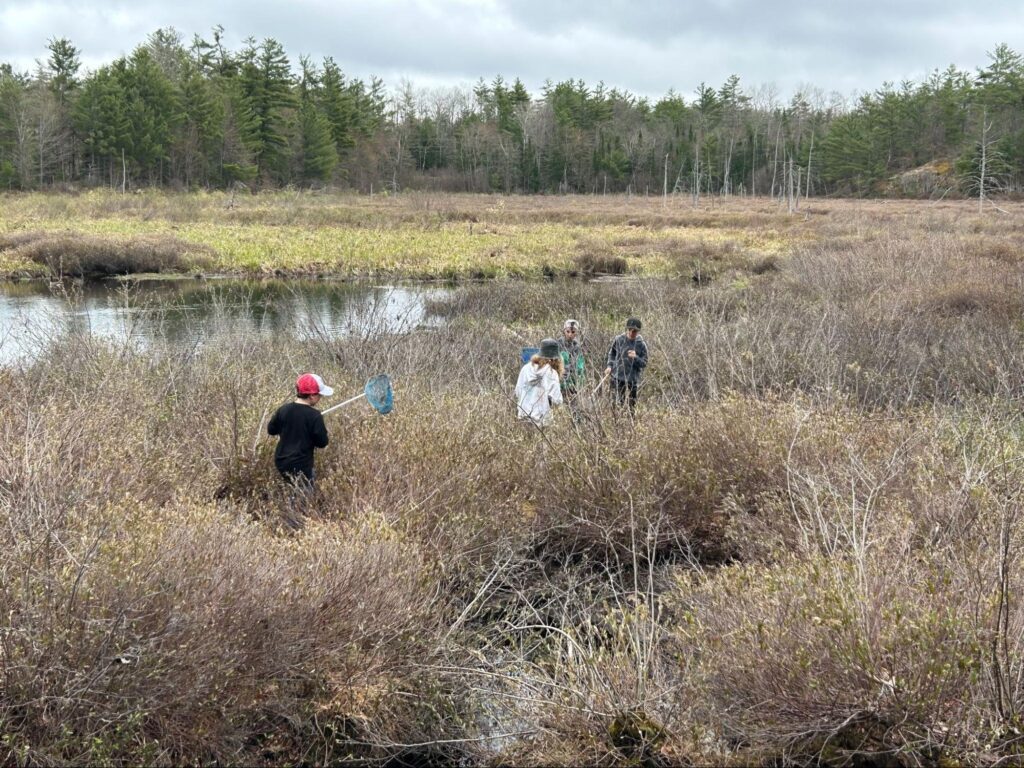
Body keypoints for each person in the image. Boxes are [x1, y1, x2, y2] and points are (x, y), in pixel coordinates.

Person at [267, 373, 334, 488]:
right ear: (312, 396)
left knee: (290, 490)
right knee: (303, 497)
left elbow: (271, 430)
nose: (320, 398)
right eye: (319, 395)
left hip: (281, 461)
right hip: (302, 464)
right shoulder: (314, 416)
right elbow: (322, 442)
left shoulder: (284, 410)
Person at [515, 338, 564, 427]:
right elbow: (557, 400)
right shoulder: (552, 374)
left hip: (523, 416)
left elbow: (518, 391)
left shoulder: (525, 369)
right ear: (555, 359)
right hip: (542, 420)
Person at [604, 318, 648, 412]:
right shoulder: (619, 339)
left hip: (632, 380)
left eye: (635, 331)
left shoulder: (641, 344)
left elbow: (644, 363)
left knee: (632, 405)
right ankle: (616, 423)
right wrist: (609, 366)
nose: (632, 332)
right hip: (617, 377)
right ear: (627, 329)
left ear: (638, 331)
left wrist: (635, 357)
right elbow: (612, 354)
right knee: (617, 404)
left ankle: (630, 423)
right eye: (630, 330)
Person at [558, 319, 586, 399]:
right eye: (568, 331)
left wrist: (580, 380)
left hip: (572, 381)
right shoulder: (558, 344)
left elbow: (580, 365)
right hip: (560, 380)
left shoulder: (577, 346)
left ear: (576, 332)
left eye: (573, 332)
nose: (570, 334)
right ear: (564, 331)